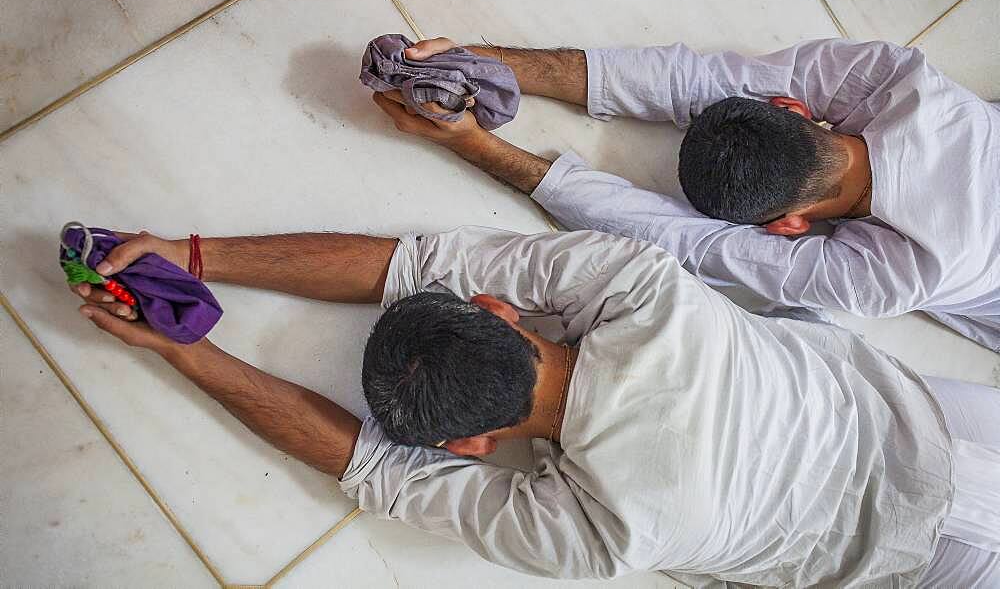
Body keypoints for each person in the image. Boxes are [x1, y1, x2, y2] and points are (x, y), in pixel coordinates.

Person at [70, 228, 999, 587]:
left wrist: (189, 352)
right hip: (942, 420)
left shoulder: (605, 540)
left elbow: (371, 470)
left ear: (470, 444)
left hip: (916, 566)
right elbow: (408, 265)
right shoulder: (644, 288)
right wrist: (194, 256)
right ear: (495, 311)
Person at [372, 37, 1000, 352]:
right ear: (791, 107)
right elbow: (695, 80)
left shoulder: (891, 278)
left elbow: (687, 245)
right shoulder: (902, 80)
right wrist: (479, 62)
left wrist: (476, 146)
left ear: (786, 226)